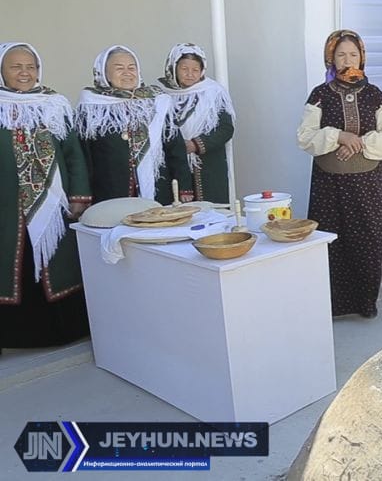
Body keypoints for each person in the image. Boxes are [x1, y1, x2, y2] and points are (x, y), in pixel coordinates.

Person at [297, 29, 382, 318]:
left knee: (367, 239)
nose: (347, 60)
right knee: (329, 240)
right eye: (341, 54)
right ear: (331, 57)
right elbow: (305, 137)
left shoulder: (374, 95)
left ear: (362, 57)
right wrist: (338, 136)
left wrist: (357, 143)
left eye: (353, 54)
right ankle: (330, 305)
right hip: (328, 184)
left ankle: (365, 303)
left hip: (366, 182)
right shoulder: (320, 94)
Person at [0, 42, 92, 347]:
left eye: (31, 66)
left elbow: (73, 153)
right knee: (14, 264)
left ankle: (64, 331)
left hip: (55, 205)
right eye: (16, 66)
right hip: (8, 208)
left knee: (57, 263)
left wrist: (79, 195)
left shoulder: (55, 104)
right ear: (2, 70)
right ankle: (18, 335)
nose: (25, 73)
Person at [75, 45, 193, 205]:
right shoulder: (92, 106)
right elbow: (83, 156)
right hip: (109, 192)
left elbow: (175, 148)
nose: (127, 73)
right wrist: (82, 197)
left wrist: (184, 187)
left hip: (157, 191)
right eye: (119, 68)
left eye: (132, 67)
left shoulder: (157, 102)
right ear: (104, 73)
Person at [158, 43, 235, 204]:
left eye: (195, 70)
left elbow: (226, 129)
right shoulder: (161, 96)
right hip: (173, 164)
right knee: (177, 213)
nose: (190, 74)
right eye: (184, 69)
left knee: (211, 214)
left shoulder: (214, 93)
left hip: (208, 165)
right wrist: (177, 146)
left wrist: (195, 144)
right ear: (173, 68)